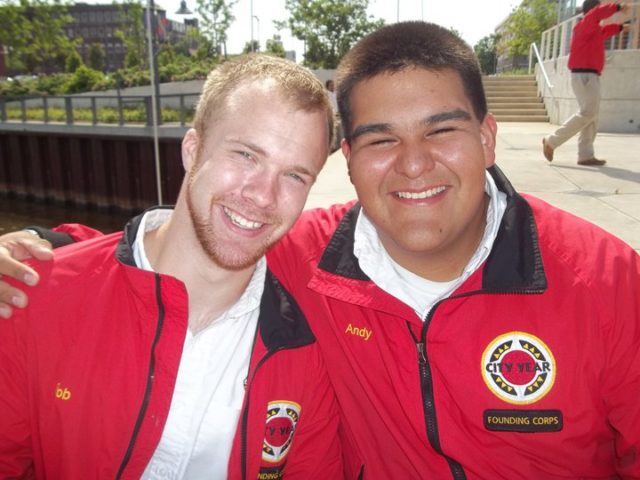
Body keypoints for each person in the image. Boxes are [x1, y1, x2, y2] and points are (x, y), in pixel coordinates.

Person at [2, 21, 640, 479]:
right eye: (381, 140)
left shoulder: (607, 280)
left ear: (488, 136)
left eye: (442, 131)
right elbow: (183, 246)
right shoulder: (306, 253)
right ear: (352, 164)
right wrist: (51, 253)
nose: (415, 165)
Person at [0, 54, 345, 479]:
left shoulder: (304, 354)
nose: (262, 195)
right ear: (192, 149)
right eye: (245, 155)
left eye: (295, 176)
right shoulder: (34, 296)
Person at [542, 0, 630, 166]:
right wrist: (617, 7)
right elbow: (597, 15)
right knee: (588, 114)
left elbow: (604, 32)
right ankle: (552, 141)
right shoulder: (585, 24)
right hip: (585, 76)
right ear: (594, 10)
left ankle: (585, 155)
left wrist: (619, 28)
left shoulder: (592, 29)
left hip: (588, 76)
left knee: (591, 116)